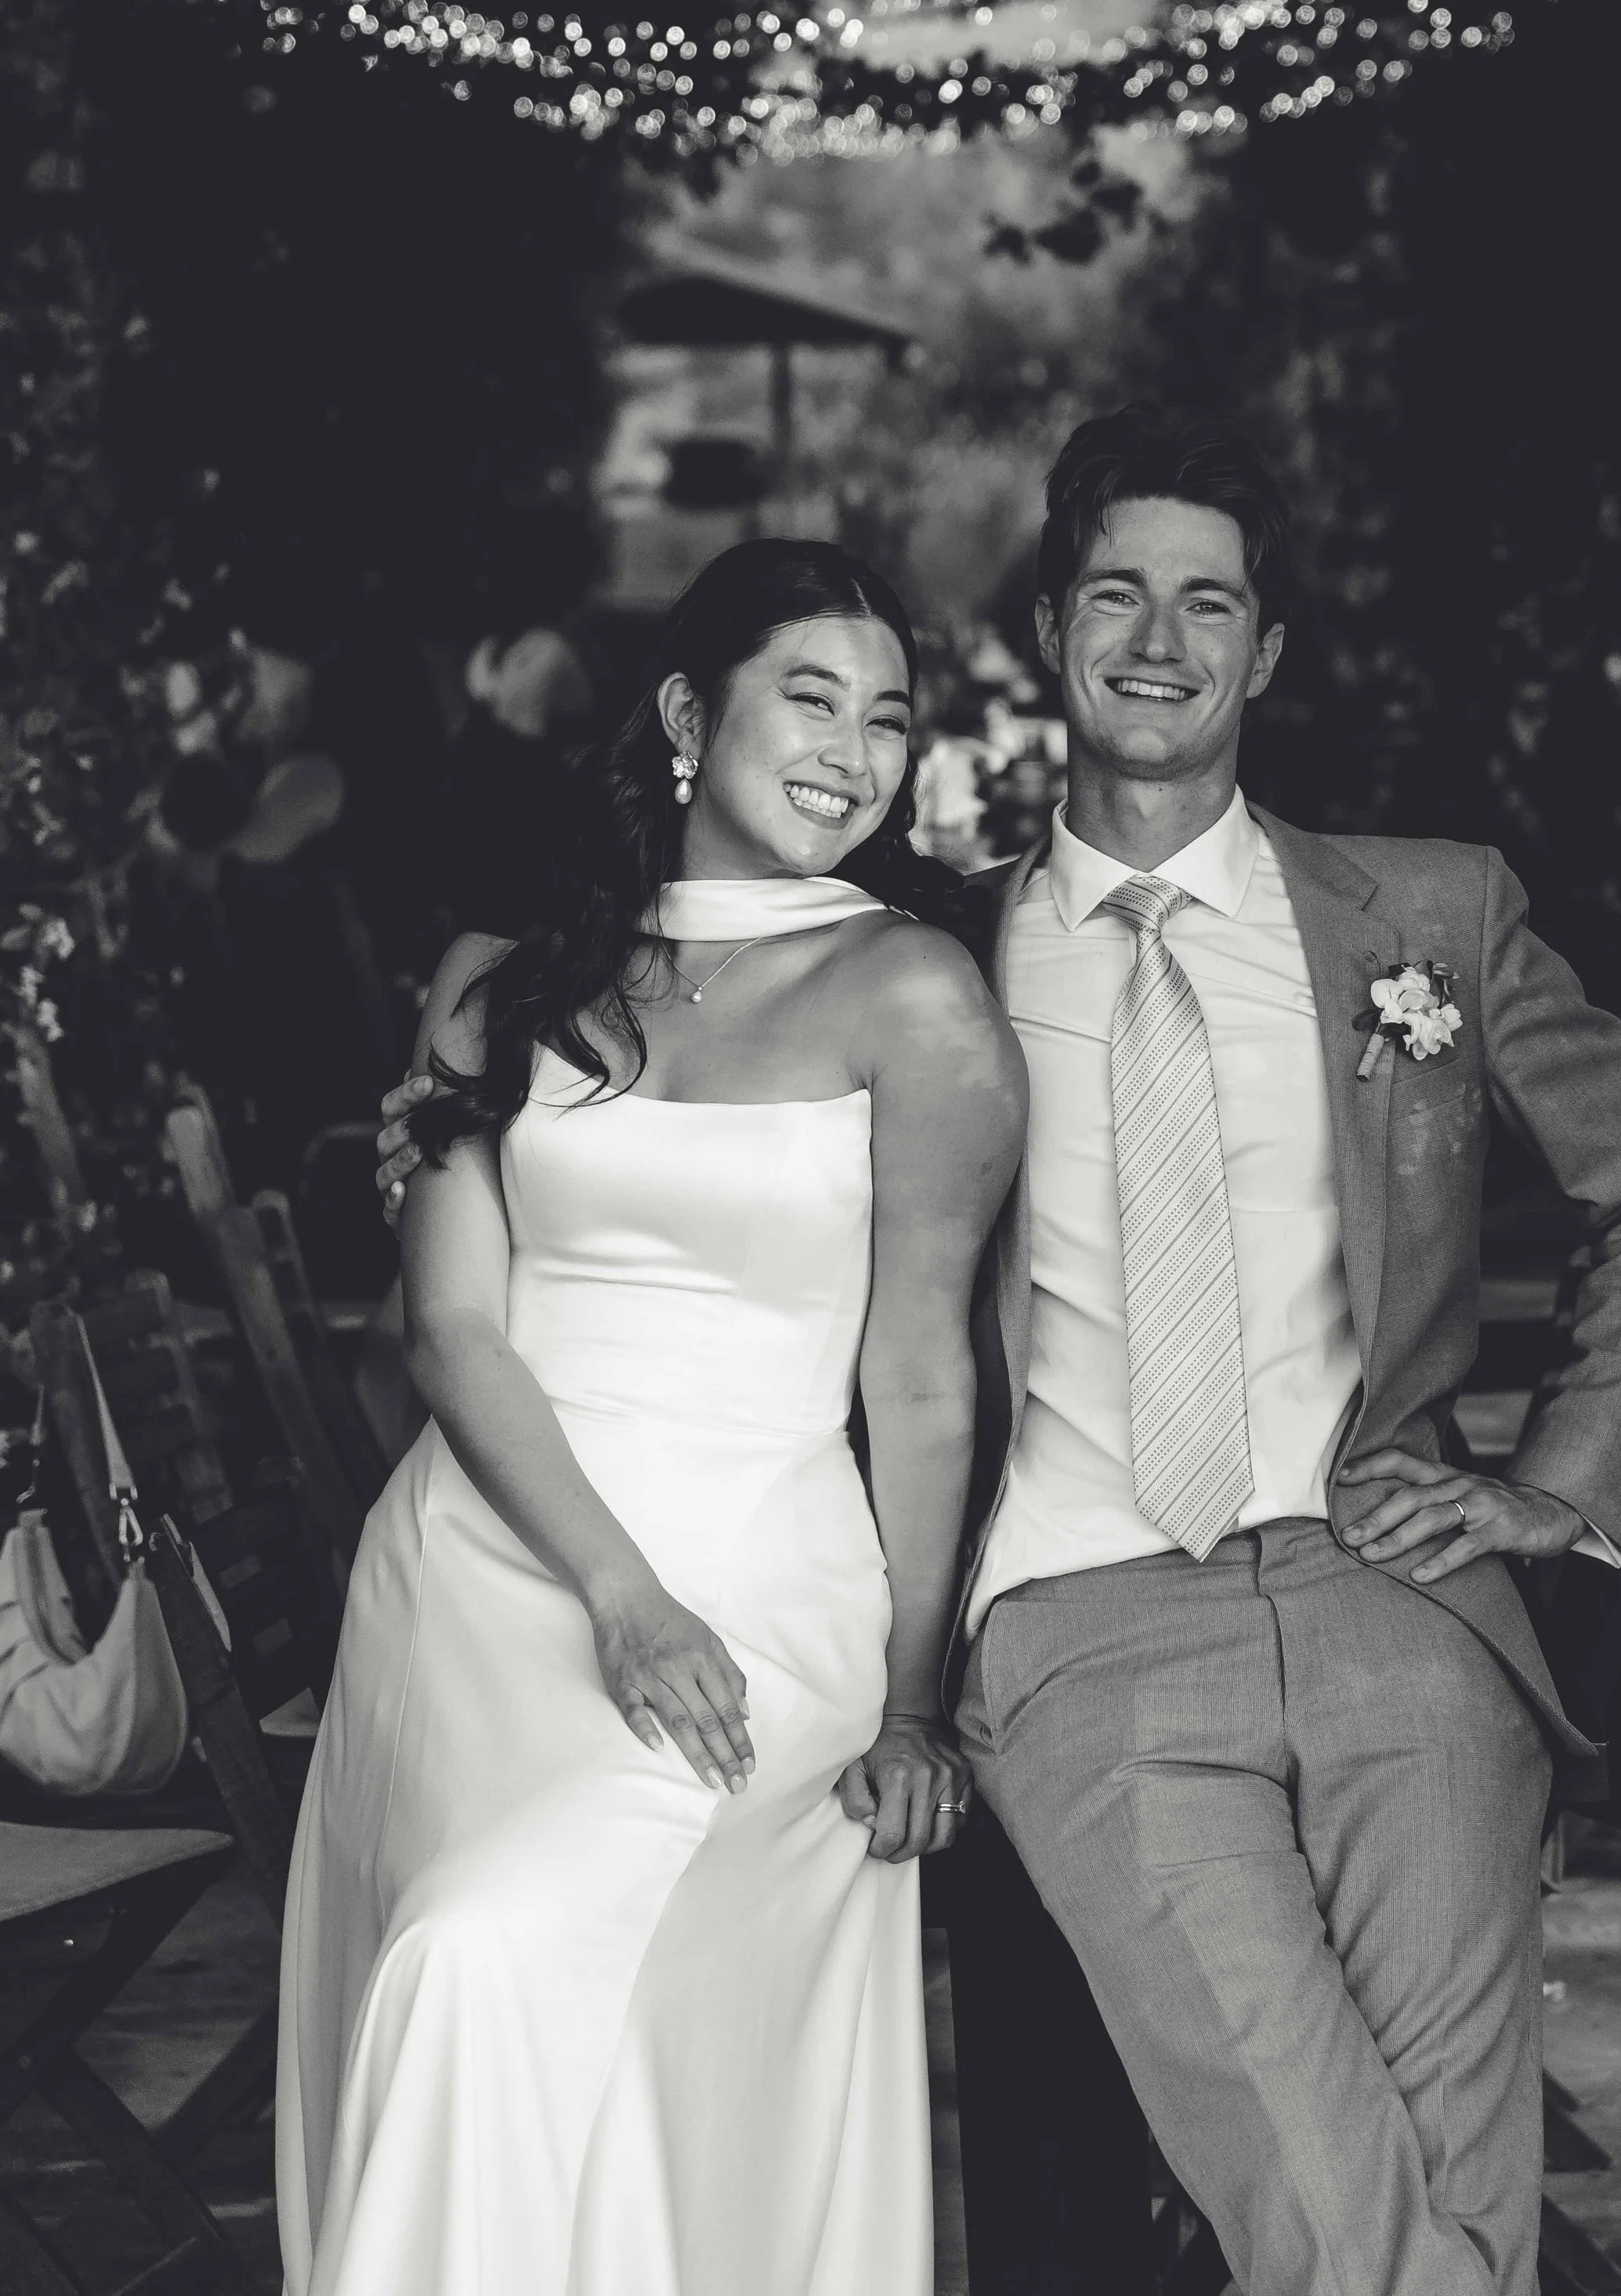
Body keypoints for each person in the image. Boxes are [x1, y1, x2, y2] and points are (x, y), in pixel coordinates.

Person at [381, 411, 1621, 2296]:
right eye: (1115, 593)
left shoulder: (1427, 913)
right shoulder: (916, 955)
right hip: (1085, 1619)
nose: (1160, 640)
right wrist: (463, 1104)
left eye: (1209, 602)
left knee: (1451, 2159)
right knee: (1302, 2149)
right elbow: (691, 1102)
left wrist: (1552, 1492)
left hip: (1395, 1600)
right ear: (1047, 628)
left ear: (1265, 651)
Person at [288, 538, 1025, 2296]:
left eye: (888, 717)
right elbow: (451, 1329)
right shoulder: (497, 978)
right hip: (476, 1582)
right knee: (511, 2013)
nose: (852, 747)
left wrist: (915, 1700)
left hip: (761, 1583)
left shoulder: (914, 993)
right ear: (690, 715)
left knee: (477, 1966)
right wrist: (618, 1596)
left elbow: (920, 1373)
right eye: (809, 695)